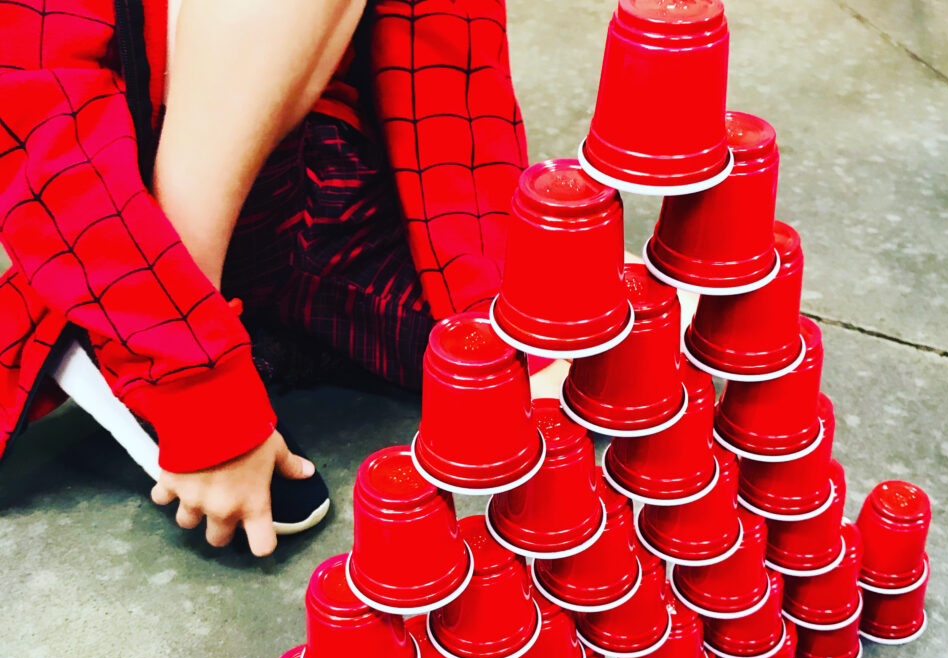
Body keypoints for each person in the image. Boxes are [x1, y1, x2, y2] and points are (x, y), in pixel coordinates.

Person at [0, 0, 566, 555]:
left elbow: (448, 65)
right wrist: (194, 389)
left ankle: (254, 324)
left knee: (580, 365)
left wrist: (495, 304)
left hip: (338, 175)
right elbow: (37, 119)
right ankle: (175, 304)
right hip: (138, 186)